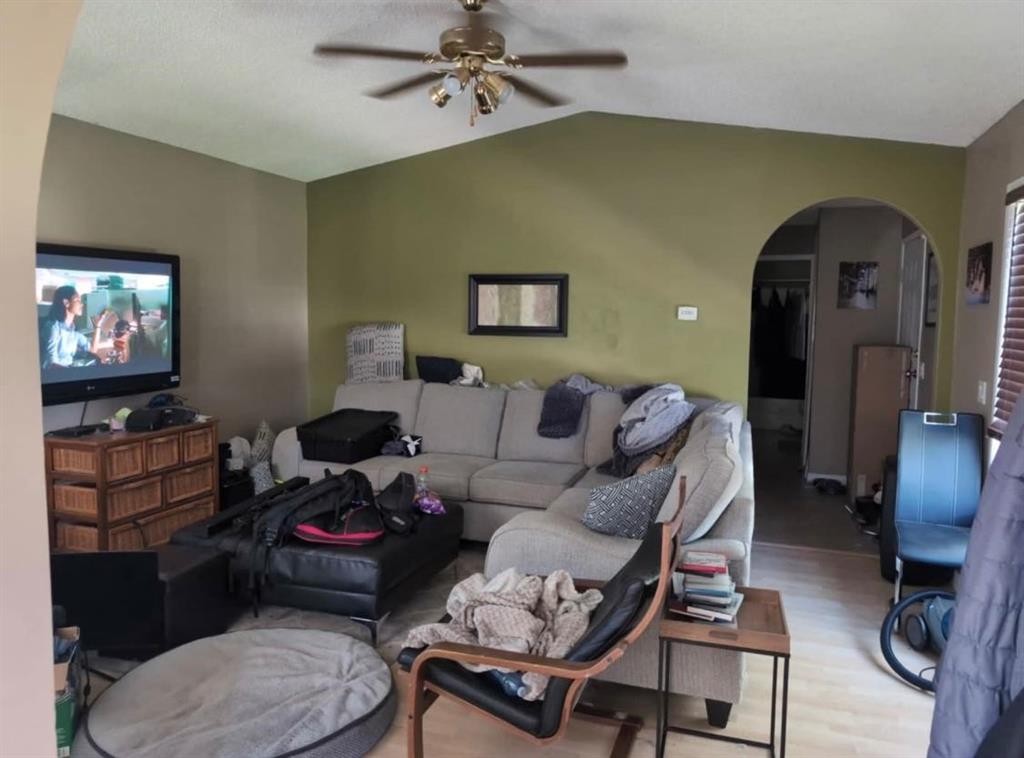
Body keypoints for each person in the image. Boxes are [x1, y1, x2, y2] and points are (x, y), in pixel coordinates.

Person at [41, 285, 113, 368]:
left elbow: (93, 349)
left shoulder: (72, 329)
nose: (81, 304)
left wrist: (98, 325)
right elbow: (51, 364)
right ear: (66, 303)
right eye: (77, 300)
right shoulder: (53, 327)